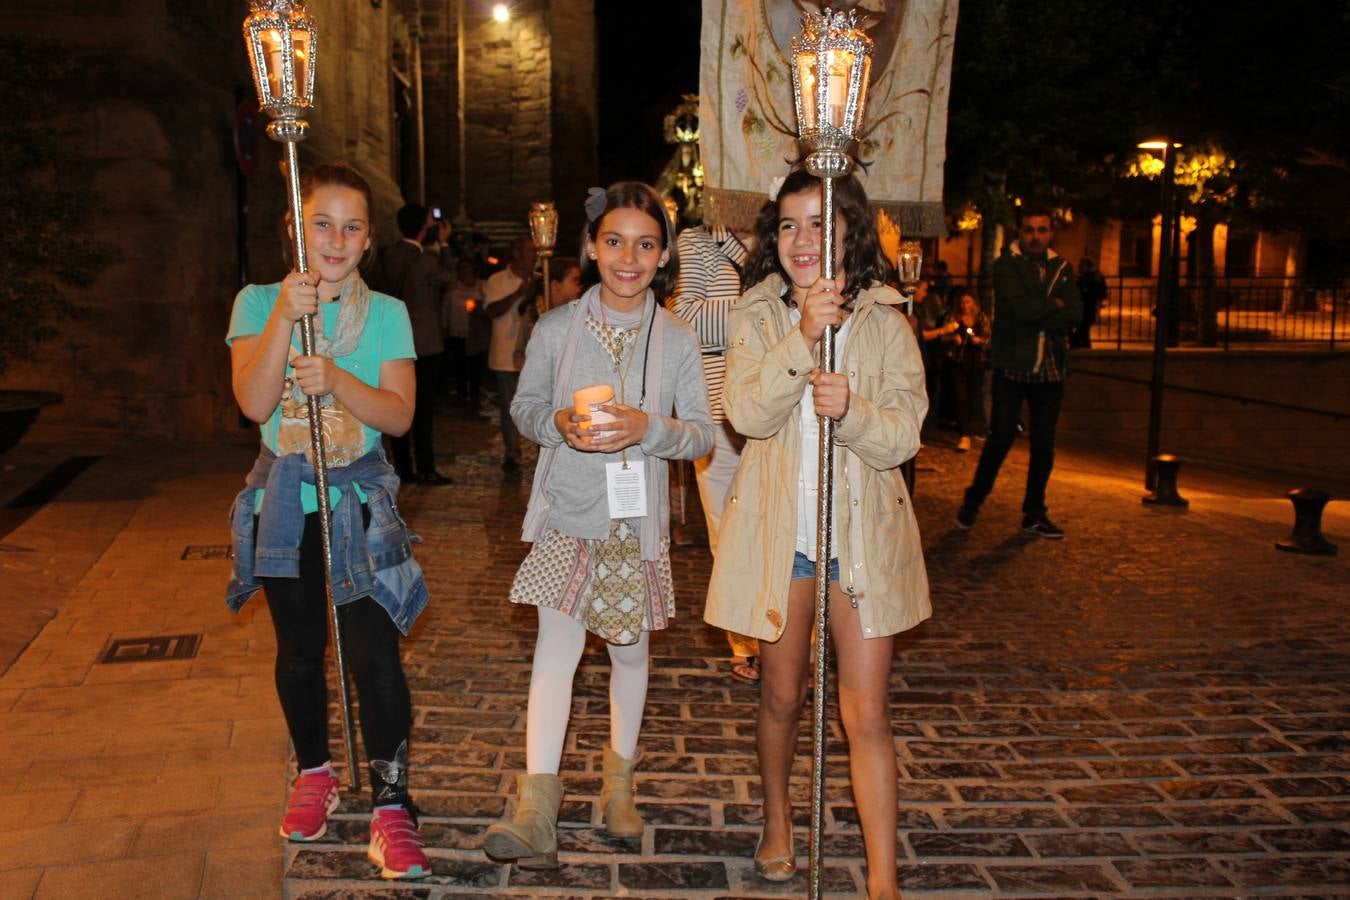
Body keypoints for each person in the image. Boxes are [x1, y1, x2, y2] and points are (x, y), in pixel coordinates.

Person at [705, 168, 930, 899]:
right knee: (782, 695)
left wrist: (855, 411)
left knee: (866, 711)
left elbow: (901, 438)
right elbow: (746, 413)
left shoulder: (888, 321)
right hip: (784, 540)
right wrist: (802, 338)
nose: (804, 240)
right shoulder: (759, 315)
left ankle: (883, 879)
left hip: (861, 544)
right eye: (791, 225)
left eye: (820, 224)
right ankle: (777, 818)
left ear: (849, 232)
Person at [483, 182, 714, 869]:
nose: (628, 256)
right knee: (556, 646)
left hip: (634, 520)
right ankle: (537, 809)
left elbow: (702, 435)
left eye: (646, 244)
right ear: (591, 246)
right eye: (615, 241)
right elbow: (524, 409)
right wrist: (556, 422)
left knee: (629, 651)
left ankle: (619, 789)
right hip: (568, 513)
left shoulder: (675, 339)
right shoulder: (556, 328)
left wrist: (650, 429)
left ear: (663, 254)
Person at [224, 162, 431, 879]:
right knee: (299, 649)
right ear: (295, 225)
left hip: (360, 505)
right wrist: (284, 316)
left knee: (374, 655)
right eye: (321, 222)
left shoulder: (388, 315)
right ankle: (314, 771)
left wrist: (339, 379)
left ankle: (392, 805)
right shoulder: (256, 302)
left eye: (351, 226)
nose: (335, 238)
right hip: (284, 505)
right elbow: (254, 403)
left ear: (369, 238)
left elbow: (398, 414)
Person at [669, 222, 762, 684]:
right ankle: (746, 640)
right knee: (727, 527)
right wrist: (768, 303)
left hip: (777, 401)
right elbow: (683, 316)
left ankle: (791, 638)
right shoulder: (698, 240)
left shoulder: (788, 232)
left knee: (784, 525)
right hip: (717, 406)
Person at [955, 207, 1082, 538]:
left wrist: (1049, 311)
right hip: (1012, 367)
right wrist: (1053, 306)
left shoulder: (1062, 267)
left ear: (1050, 232)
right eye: (1029, 230)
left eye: (1042, 230)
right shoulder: (1006, 266)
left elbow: (1076, 313)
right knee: (1000, 438)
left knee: (1044, 445)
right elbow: (1021, 309)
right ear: (1019, 233)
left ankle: (1034, 512)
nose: (1036, 236)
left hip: (1051, 370)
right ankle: (973, 501)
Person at [379, 204, 454, 484]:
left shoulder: (388, 255)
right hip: (423, 343)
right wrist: (445, 242)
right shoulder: (426, 260)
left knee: (396, 404)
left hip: (391, 340)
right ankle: (426, 467)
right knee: (422, 409)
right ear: (426, 225)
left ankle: (403, 467)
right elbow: (451, 276)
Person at [484, 236, 539, 472]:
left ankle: (542, 452)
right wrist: (518, 293)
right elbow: (492, 310)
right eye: (529, 250)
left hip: (535, 355)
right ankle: (512, 453)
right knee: (509, 408)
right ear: (516, 252)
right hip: (505, 355)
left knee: (539, 406)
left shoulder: (540, 280)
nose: (534, 255)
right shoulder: (497, 280)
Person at [940, 289, 991, 451]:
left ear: (974, 303)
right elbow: (943, 336)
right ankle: (965, 435)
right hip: (958, 362)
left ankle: (969, 426)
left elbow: (988, 338)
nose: (964, 305)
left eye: (968, 302)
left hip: (976, 362)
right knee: (960, 396)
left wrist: (979, 341)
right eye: (962, 302)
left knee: (973, 396)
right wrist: (952, 338)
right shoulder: (954, 318)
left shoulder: (981, 318)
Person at [443, 257, 486, 414]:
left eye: (469, 267)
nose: (466, 271)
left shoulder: (482, 286)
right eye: (463, 268)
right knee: (460, 364)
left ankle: (475, 395)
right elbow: (446, 308)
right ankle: (462, 396)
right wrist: (445, 327)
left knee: (475, 364)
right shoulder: (453, 287)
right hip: (457, 330)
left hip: (476, 331)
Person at [1072, 256, 1107, 348]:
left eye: (1081, 265)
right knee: (1082, 330)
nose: (1079, 268)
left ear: (1087, 266)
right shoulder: (1087, 277)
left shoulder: (1093, 277)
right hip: (1085, 307)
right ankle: (1084, 346)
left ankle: (1082, 347)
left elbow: (1097, 292)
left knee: (1082, 329)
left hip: (1087, 307)